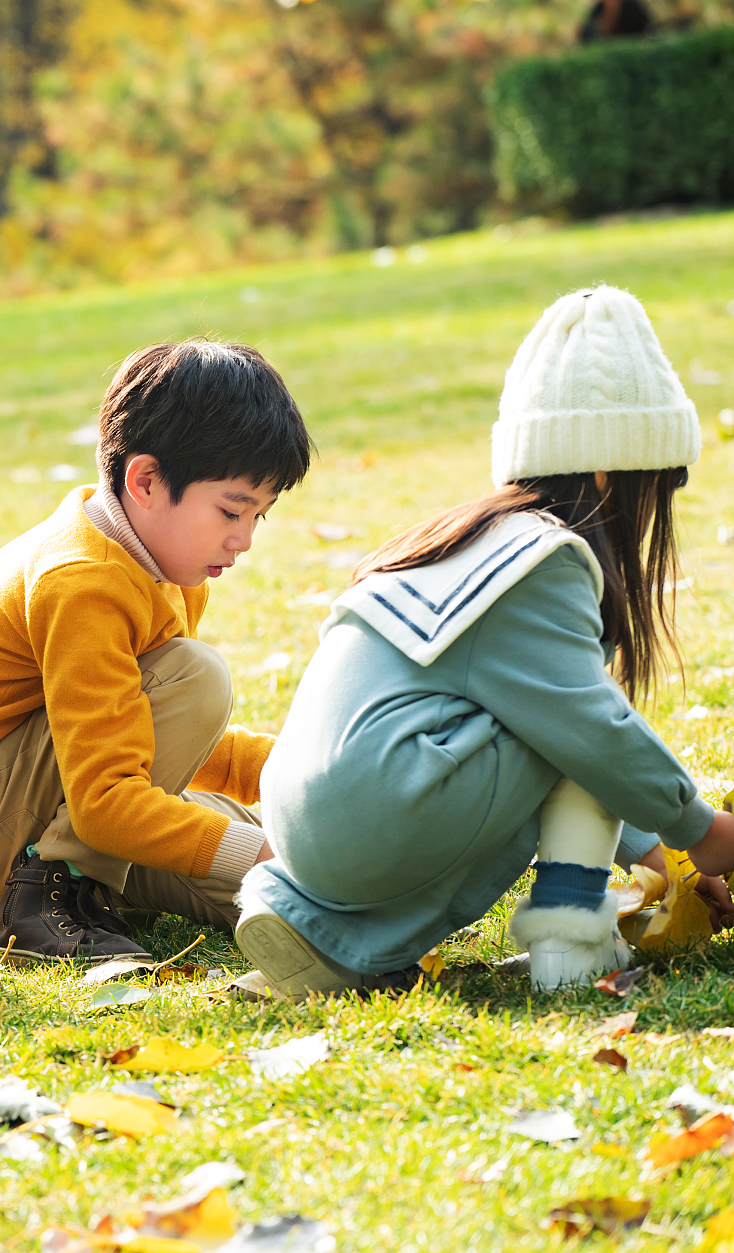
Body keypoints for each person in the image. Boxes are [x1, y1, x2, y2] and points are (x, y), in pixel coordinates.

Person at [237, 286, 734, 999]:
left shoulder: (467, 540)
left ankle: (337, 943)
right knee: (574, 725)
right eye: (656, 486)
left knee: (555, 715)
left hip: (303, 825)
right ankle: (570, 945)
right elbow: (590, 731)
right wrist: (700, 829)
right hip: (379, 813)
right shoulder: (546, 561)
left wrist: (656, 852)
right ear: (607, 471)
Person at [0, 340, 313, 964]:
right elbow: (106, 804)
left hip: (41, 796)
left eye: (258, 517)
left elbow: (134, 727)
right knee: (197, 677)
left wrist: (299, 775)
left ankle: (81, 879)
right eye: (230, 511)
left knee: (297, 872)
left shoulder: (165, 565)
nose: (242, 540)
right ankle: (53, 893)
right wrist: (261, 848)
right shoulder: (84, 581)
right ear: (146, 481)